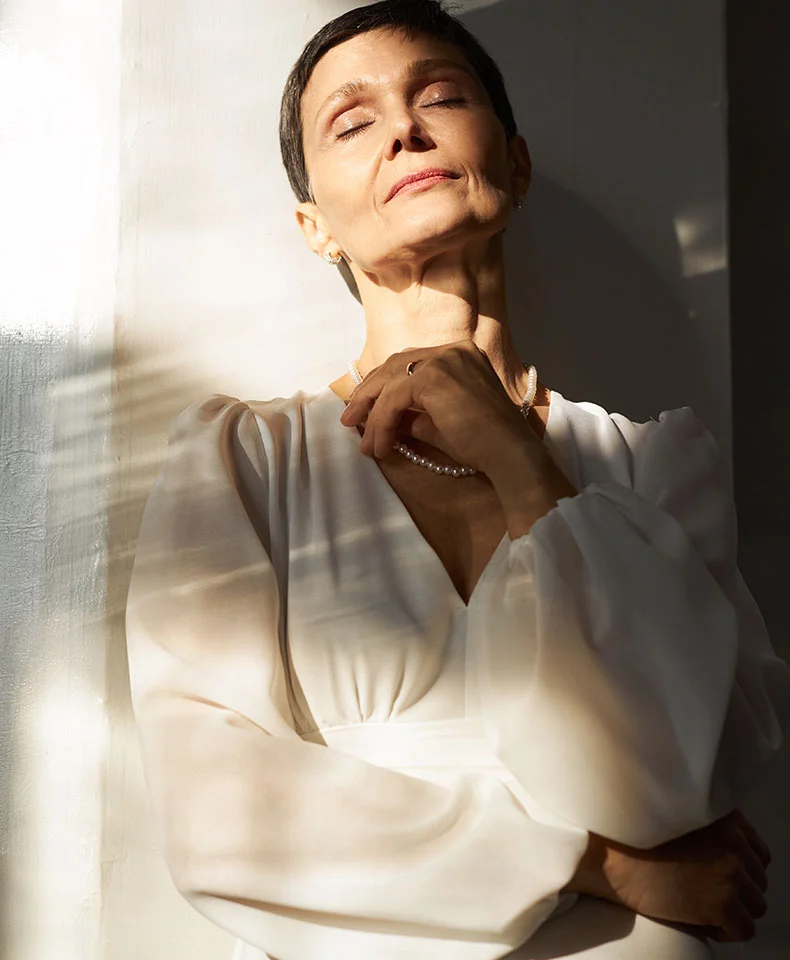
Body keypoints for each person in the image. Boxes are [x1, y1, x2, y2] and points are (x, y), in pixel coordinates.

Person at [124, 2, 790, 958]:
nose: (405, 127)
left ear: (514, 164)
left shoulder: (657, 463)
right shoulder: (243, 463)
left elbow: (677, 781)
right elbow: (218, 815)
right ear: (315, 227)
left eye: (440, 95)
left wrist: (522, 466)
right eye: (353, 123)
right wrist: (591, 866)